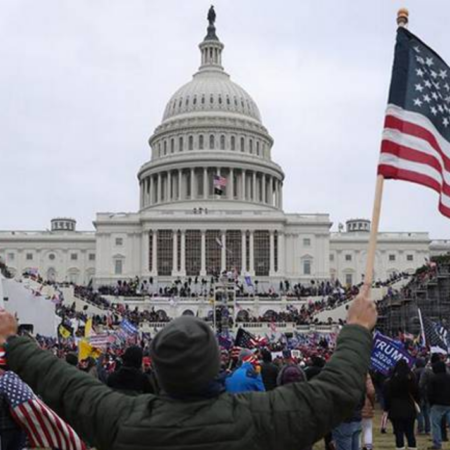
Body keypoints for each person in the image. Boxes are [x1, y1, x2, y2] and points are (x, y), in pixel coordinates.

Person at [0, 285, 376, 450]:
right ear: (217, 364)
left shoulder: (125, 421)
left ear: (158, 370)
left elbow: (67, 386)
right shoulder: (262, 418)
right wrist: (357, 329)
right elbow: (338, 391)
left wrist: (14, 342)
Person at [384, 359, 419, 450]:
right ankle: (412, 447)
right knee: (410, 432)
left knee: (398, 432)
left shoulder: (391, 380)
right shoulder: (411, 379)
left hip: (395, 409)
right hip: (409, 408)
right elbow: (417, 393)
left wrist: (386, 408)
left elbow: (387, 396)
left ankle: (400, 447)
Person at [428, 360, 450, 449]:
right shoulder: (449, 377)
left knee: (435, 425)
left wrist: (431, 402)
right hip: (449, 404)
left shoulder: (433, 378)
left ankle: (437, 444)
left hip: (437, 404)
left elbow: (430, 392)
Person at [414, 357, 430, 435]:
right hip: (427, 394)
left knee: (419, 412)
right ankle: (428, 429)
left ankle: (420, 429)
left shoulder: (415, 372)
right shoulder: (428, 371)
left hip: (419, 394)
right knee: (427, 413)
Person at [361, 374, 376, 450]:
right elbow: (371, 391)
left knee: (355, 430)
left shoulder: (346, 371)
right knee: (368, 428)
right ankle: (368, 447)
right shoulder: (365, 374)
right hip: (366, 404)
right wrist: (372, 403)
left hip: (351, 405)